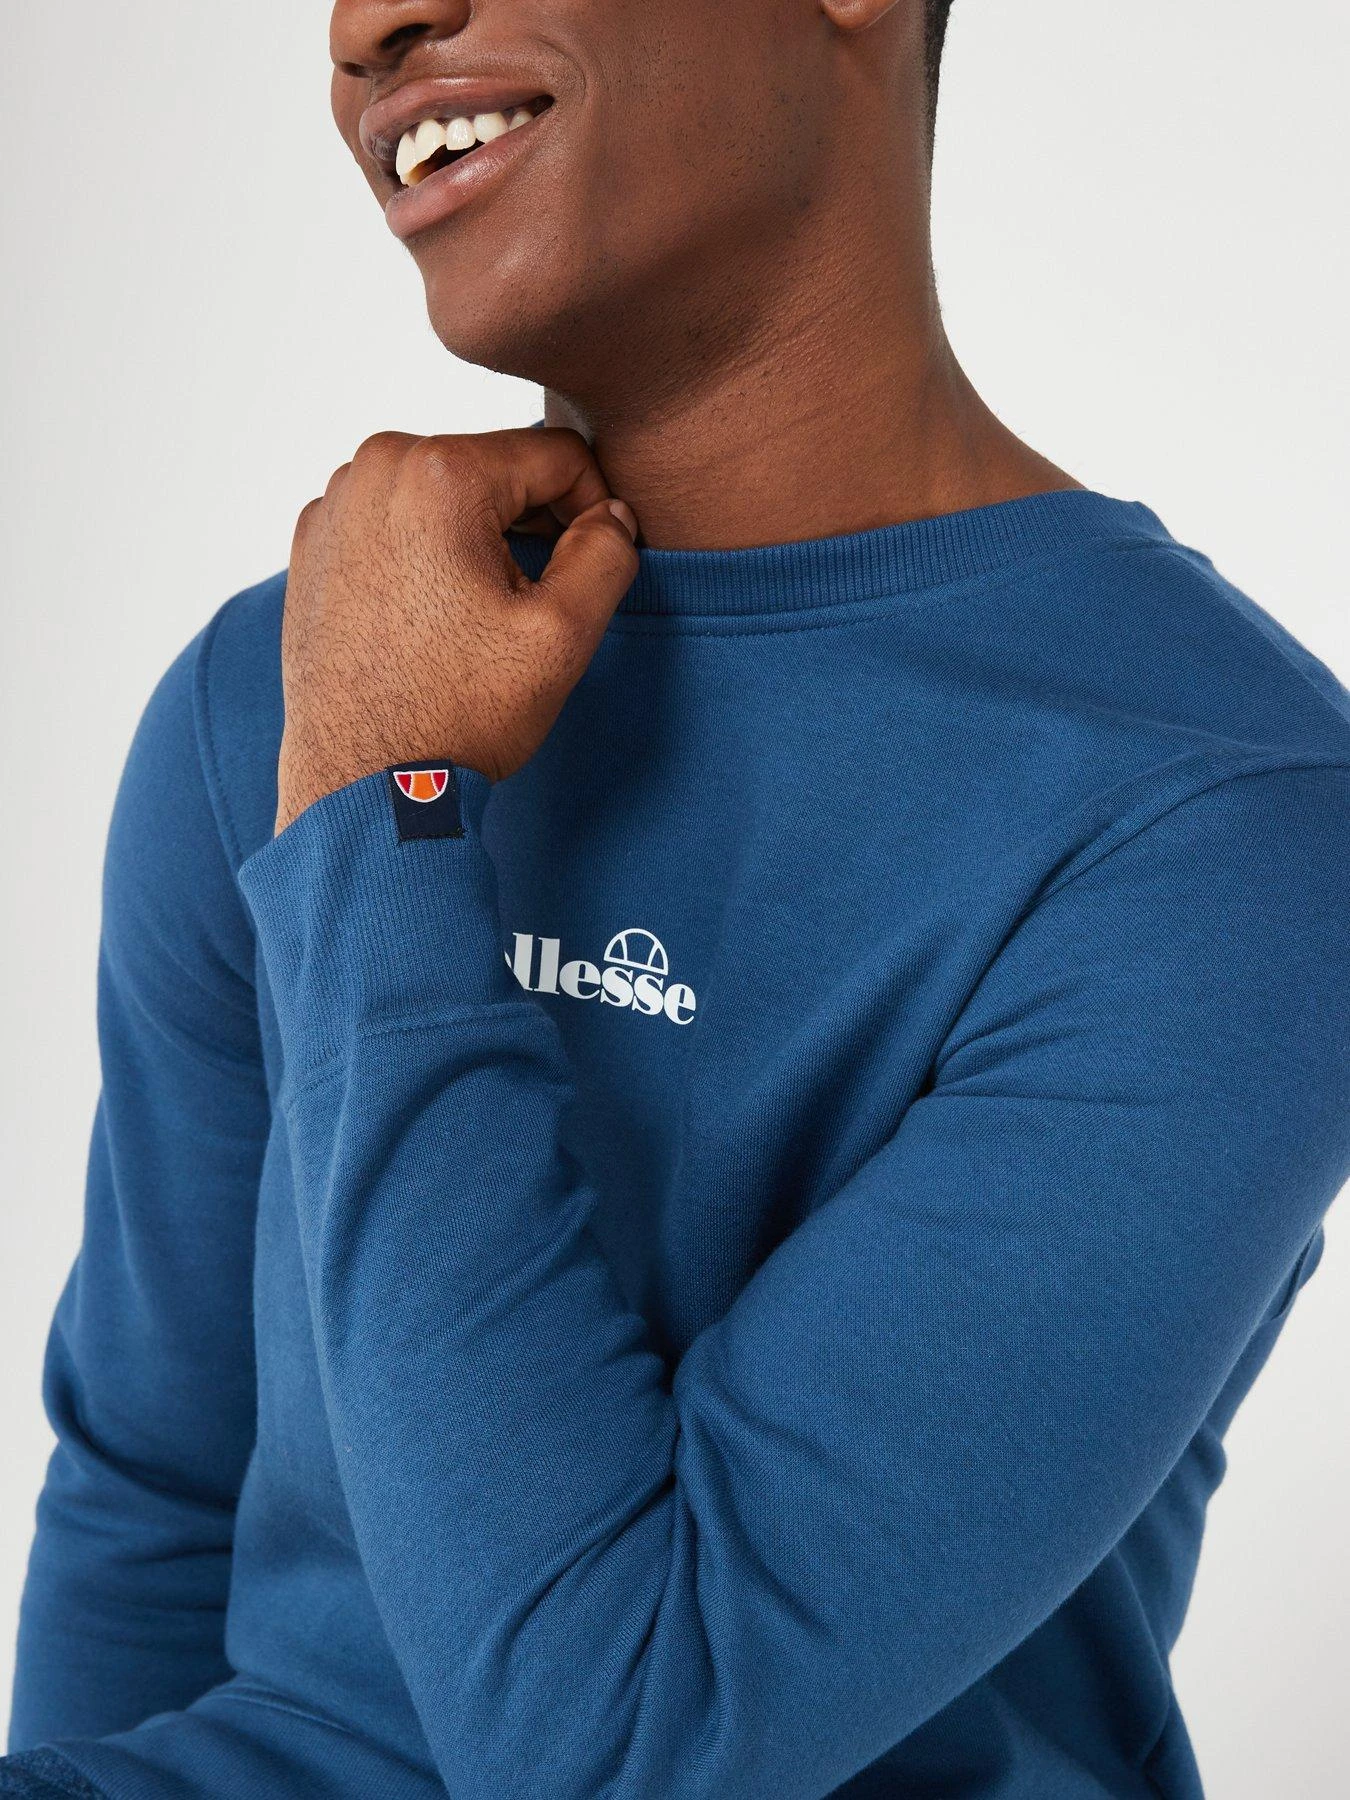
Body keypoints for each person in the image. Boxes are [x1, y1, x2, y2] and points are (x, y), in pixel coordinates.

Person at [6, 1, 1350, 1795]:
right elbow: (155, 1493)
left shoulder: (1226, 827)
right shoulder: (282, 691)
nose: (362, 25)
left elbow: (634, 1742)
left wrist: (388, 824)